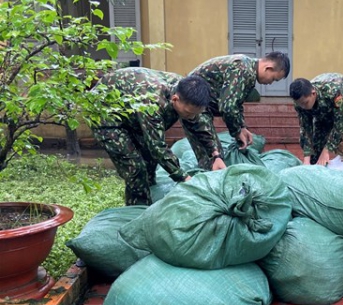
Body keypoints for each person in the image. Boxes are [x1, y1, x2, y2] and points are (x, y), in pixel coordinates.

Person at [91, 67, 224, 206]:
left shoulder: (187, 90)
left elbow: (199, 124)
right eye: (188, 113)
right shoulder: (152, 103)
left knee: (149, 164)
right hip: (106, 115)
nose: (192, 117)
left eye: (196, 113)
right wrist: (184, 177)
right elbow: (157, 146)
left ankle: (149, 201)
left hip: (132, 111)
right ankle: (137, 214)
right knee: (135, 168)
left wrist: (215, 155)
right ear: (175, 99)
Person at [188, 52, 291, 150]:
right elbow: (228, 107)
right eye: (273, 79)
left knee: (214, 154)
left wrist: (242, 127)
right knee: (213, 154)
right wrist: (237, 132)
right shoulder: (243, 69)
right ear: (268, 68)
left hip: (201, 106)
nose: (270, 83)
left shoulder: (249, 69)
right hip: (192, 104)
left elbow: (236, 103)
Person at [289, 73, 343, 170]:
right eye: (300, 104)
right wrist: (307, 158)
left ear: (313, 93)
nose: (303, 107)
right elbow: (306, 128)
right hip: (323, 107)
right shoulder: (300, 103)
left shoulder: (333, 92)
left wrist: (327, 150)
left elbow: (340, 124)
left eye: (305, 103)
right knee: (317, 144)